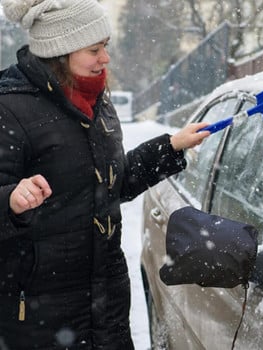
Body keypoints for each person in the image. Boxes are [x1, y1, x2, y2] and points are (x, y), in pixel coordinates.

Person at [0, 0, 210, 349]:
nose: (105, 58)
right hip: (40, 316)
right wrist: (10, 200)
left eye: (106, 47)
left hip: (106, 305)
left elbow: (113, 184)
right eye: (94, 49)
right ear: (60, 52)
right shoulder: (10, 108)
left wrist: (171, 146)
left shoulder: (96, 102)